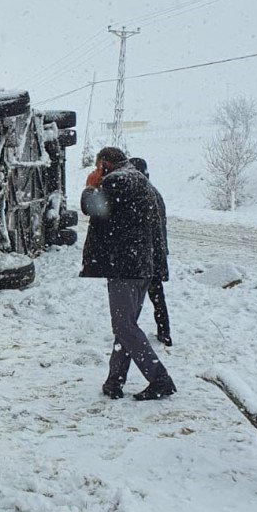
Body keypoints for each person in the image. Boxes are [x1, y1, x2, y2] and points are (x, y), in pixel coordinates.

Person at [81, 147, 176, 401]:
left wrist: (91, 186)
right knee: (126, 326)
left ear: (104, 164)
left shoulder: (119, 180)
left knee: (124, 326)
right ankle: (114, 381)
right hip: (141, 266)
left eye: (97, 166)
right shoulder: (137, 179)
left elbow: (92, 207)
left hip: (126, 266)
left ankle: (159, 379)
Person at [129, 157, 172, 346]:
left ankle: (128, 332)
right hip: (156, 252)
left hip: (144, 254)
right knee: (156, 294)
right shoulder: (154, 193)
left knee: (132, 295)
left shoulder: (140, 195)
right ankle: (164, 331)